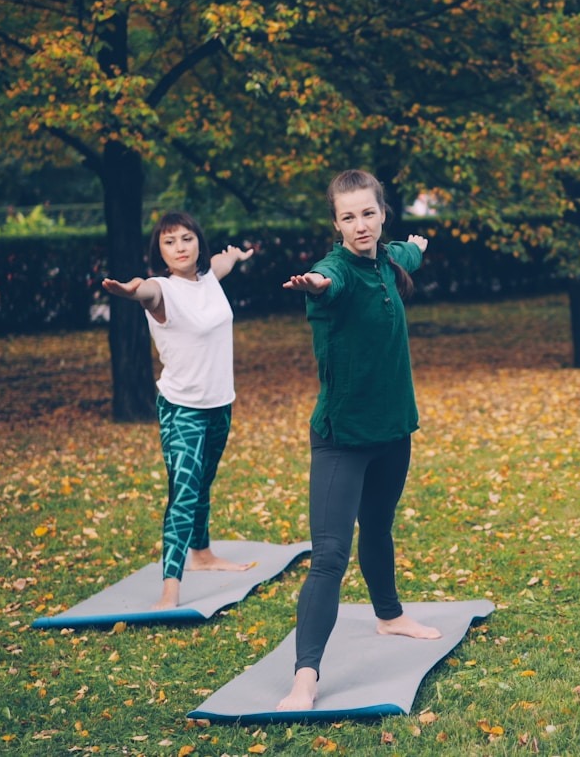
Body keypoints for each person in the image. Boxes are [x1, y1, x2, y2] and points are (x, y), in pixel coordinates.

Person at [277, 169, 439, 712]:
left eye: (367, 213)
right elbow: (330, 284)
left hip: (395, 430)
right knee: (328, 556)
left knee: (380, 528)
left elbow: (405, 254)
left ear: (381, 213)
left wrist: (416, 246)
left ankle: (389, 616)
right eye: (348, 217)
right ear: (336, 222)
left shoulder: (390, 258)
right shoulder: (333, 272)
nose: (360, 224)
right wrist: (317, 286)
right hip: (342, 438)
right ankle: (305, 678)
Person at [100, 211, 256, 610]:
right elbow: (144, 291)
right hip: (181, 407)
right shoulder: (162, 291)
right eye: (170, 242)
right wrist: (131, 289)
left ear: (198, 242)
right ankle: (171, 587)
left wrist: (235, 256)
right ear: (160, 251)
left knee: (203, 483)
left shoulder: (208, 281)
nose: (180, 247)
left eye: (187, 238)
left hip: (220, 403)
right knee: (184, 492)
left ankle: (202, 554)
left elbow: (219, 264)